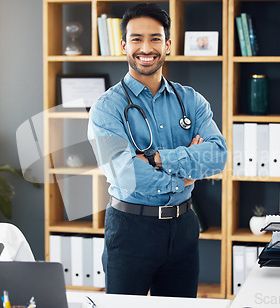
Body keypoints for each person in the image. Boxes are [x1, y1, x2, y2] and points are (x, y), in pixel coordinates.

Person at [88, 2, 227, 298]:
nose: (146, 48)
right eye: (136, 39)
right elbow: (127, 175)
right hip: (130, 229)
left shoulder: (191, 100)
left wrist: (158, 158)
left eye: (154, 38)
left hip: (184, 229)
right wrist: (185, 176)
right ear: (124, 46)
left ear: (168, 45)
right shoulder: (107, 107)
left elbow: (217, 156)